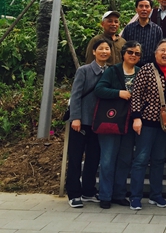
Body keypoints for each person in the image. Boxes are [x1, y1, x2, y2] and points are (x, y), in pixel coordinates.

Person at [128, 39, 166, 210]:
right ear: (155, 53)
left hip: (163, 125)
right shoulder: (146, 69)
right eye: (162, 50)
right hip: (146, 122)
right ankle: (135, 196)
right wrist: (136, 117)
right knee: (141, 160)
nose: (165, 54)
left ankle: (156, 195)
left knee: (159, 159)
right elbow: (136, 94)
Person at [94, 40, 142, 209]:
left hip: (129, 122)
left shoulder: (140, 72)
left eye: (137, 53)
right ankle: (105, 195)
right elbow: (99, 89)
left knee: (124, 160)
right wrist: (118, 93)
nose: (133, 55)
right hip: (111, 121)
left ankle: (119, 194)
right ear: (123, 54)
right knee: (107, 160)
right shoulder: (113, 71)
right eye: (130, 52)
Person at [66, 38, 111, 208]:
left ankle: (88, 190)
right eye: (101, 49)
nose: (104, 52)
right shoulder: (84, 71)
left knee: (93, 158)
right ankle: (73, 193)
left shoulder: (110, 71)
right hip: (81, 121)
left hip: (98, 122)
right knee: (76, 158)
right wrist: (75, 117)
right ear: (94, 52)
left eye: (107, 49)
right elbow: (75, 95)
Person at [122, 0, 163, 66]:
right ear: (136, 9)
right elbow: (124, 48)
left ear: (151, 10)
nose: (144, 9)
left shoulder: (157, 30)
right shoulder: (128, 28)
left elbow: (160, 49)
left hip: (150, 67)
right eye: (141, 6)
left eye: (147, 6)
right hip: (132, 66)